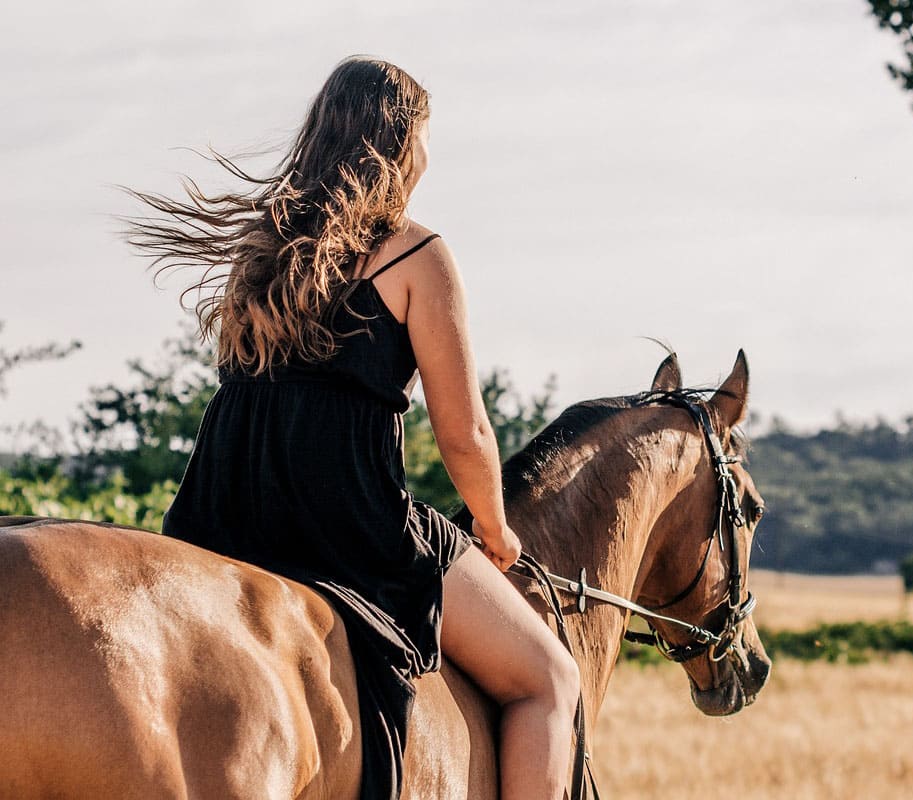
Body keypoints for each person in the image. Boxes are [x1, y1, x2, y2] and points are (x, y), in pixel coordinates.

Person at [123, 55, 580, 800]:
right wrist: (497, 532)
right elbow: (464, 434)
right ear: (402, 141)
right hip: (345, 522)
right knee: (549, 681)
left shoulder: (263, 248)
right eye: (426, 136)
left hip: (224, 510)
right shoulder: (417, 253)